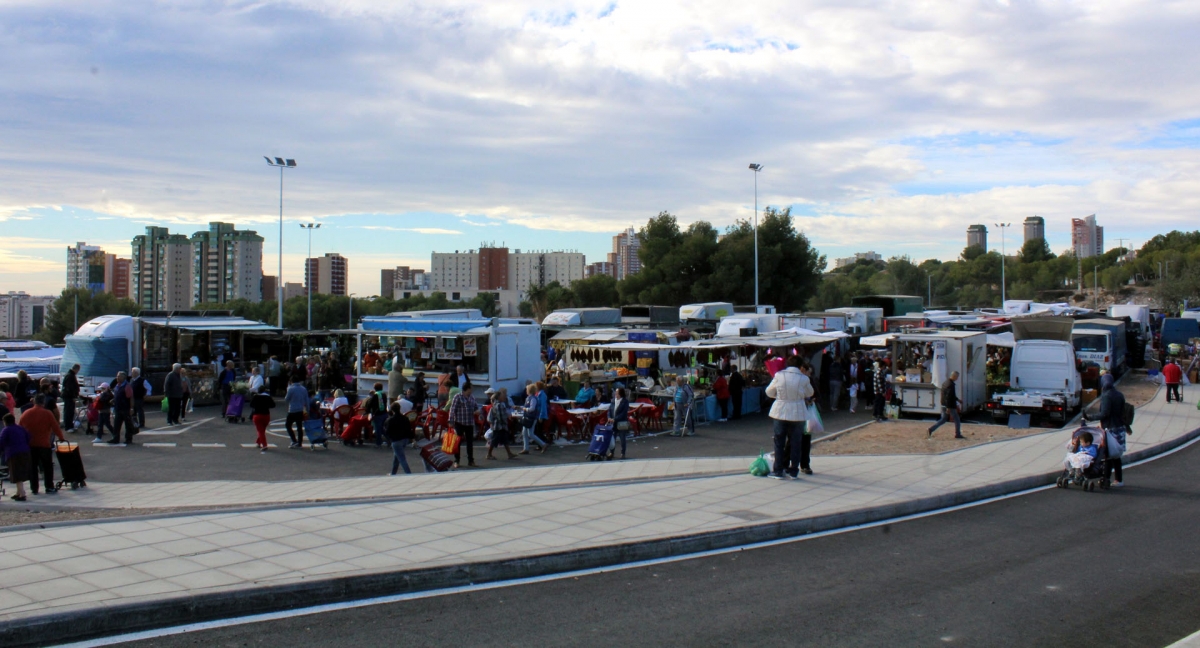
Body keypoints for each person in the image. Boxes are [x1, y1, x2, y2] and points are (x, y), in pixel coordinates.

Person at [765, 356, 813, 480]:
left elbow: (769, 391)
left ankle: (778, 470)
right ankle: (793, 470)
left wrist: (778, 395)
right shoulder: (804, 378)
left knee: (779, 441)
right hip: (798, 411)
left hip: (780, 409)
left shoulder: (779, 375)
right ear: (800, 366)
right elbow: (810, 393)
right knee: (796, 442)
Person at [19, 395, 66, 494]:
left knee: (32, 467)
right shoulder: (47, 413)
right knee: (47, 466)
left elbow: (20, 428)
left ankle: (34, 488)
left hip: (30, 444)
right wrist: (61, 438)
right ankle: (49, 486)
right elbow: (55, 427)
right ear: (43, 403)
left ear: (34, 402)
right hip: (44, 444)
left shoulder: (26, 413)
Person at [1098, 373, 1128, 487]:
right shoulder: (1119, 395)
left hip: (1110, 428)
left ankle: (1106, 478)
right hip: (1120, 428)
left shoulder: (1106, 396)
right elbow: (1122, 412)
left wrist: (1090, 417)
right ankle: (1118, 479)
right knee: (1116, 456)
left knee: (1108, 455)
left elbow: (1104, 414)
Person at [0, 413, 32, 501]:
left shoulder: (6, 430)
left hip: (13, 453)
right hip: (25, 452)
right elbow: (29, 437)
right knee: (20, 472)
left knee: (16, 474)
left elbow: (1, 442)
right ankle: (18, 492)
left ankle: (22, 494)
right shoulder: (20, 428)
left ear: (5, 422)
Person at [448, 381, 478, 467]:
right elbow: (452, 409)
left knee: (470, 443)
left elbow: (475, 407)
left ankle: (471, 460)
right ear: (467, 389)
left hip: (469, 423)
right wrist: (451, 421)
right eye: (471, 388)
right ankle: (457, 460)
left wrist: (477, 411)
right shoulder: (458, 397)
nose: (472, 390)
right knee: (458, 442)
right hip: (459, 423)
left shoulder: (472, 397)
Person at [927, 371, 964, 439]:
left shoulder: (945, 383)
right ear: (954, 376)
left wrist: (958, 400)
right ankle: (957, 434)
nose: (957, 378)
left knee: (943, 419)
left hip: (943, 404)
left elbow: (950, 395)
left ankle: (931, 429)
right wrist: (948, 407)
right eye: (957, 377)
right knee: (957, 419)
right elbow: (949, 396)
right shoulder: (951, 384)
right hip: (950, 405)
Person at [485, 389, 517, 460]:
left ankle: (509, 453)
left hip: (499, 426)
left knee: (505, 440)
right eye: (502, 396)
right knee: (494, 440)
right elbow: (500, 416)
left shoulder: (496, 405)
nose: (504, 397)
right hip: (499, 426)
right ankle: (489, 454)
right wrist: (505, 421)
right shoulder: (499, 405)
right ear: (498, 397)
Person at [386, 401, 416, 474]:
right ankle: (393, 473)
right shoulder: (405, 418)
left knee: (401, 458)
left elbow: (387, 431)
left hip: (396, 440)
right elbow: (409, 429)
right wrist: (412, 439)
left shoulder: (390, 420)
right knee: (397, 456)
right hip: (405, 439)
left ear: (392, 410)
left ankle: (408, 473)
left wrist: (389, 439)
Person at [520, 384, 549, 454]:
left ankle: (543, 444)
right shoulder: (530, 398)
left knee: (530, 434)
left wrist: (525, 409)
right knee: (525, 433)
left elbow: (532, 409)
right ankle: (526, 448)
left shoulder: (532, 398)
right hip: (528, 417)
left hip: (531, 418)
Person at [109, 371, 137, 445]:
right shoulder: (117, 385)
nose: (117, 378)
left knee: (128, 424)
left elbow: (131, 397)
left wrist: (131, 408)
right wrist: (113, 400)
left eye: (119, 376)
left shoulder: (127, 386)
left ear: (123, 377)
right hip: (118, 408)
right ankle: (115, 438)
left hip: (125, 408)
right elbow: (116, 395)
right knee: (116, 424)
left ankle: (128, 439)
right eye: (117, 376)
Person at [284, 376, 309, 449]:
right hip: (300, 409)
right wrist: (308, 409)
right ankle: (300, 442)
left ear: (291, 381)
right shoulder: (303, 389)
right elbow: (306, 400)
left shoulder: (290, 389)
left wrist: (287, 388)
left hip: (292, 410)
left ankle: (294, 440)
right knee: (299, 427)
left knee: (288, 425)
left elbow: (286, 399)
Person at [249, 385, 276, 453]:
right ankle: (258, 442)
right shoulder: (268, 397)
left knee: (260, 430)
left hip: (257, 415)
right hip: (266, 415)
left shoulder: (256, 397)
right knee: (262, 430)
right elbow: (273, 405)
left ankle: (264, 445)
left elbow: (251, 405)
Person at [608, 387, 631, 460]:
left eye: (617, 393)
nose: (615, 394)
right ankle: (611, 452)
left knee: (622, 439)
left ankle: (623, 453)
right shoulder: (613, 401)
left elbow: (624, 413)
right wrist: (609, 417)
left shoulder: (625, 402)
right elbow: (609, 410)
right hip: (613, 423)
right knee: (612, 439)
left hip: (621, 423)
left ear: (620, 394)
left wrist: (615, 419)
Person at [367, 382, 389, 448]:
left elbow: (370, 404)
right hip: (384, 413)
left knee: (378, 429)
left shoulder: (375, 395)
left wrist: (368, 411)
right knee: (382, 428)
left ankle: (378, 443)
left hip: (377, 414)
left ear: (375, 388)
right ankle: (389, 439)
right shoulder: (384, 394)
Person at [61, 364, 80, 432]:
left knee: (70, 411)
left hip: (68, 396)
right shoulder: (70, 376)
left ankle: (70, 426)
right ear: (76, 369)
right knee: (69, 411)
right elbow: (70, 388)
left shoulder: (69, 375)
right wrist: (73, 396)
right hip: (69, 397)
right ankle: (68, 426)